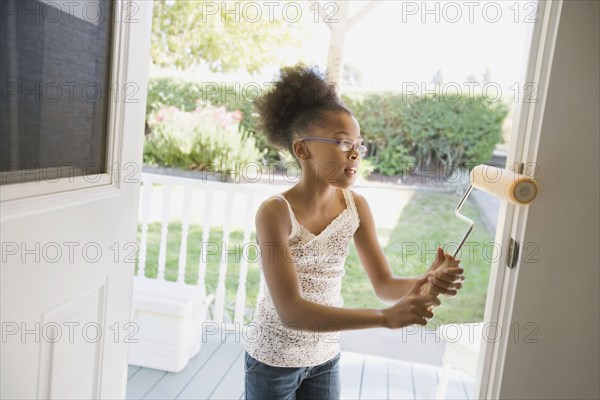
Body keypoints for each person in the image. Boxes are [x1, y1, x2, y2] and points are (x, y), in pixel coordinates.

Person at [242, 64, 465, 400]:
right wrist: (383, 319)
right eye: (342, 142)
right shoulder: (275, 213)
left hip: (325, 359)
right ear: (302, 150)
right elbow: (291, 311)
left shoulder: (355, 207)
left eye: (359, 145)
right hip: (274, 362)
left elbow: (386, 286)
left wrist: (427, 281)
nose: (355, 153)